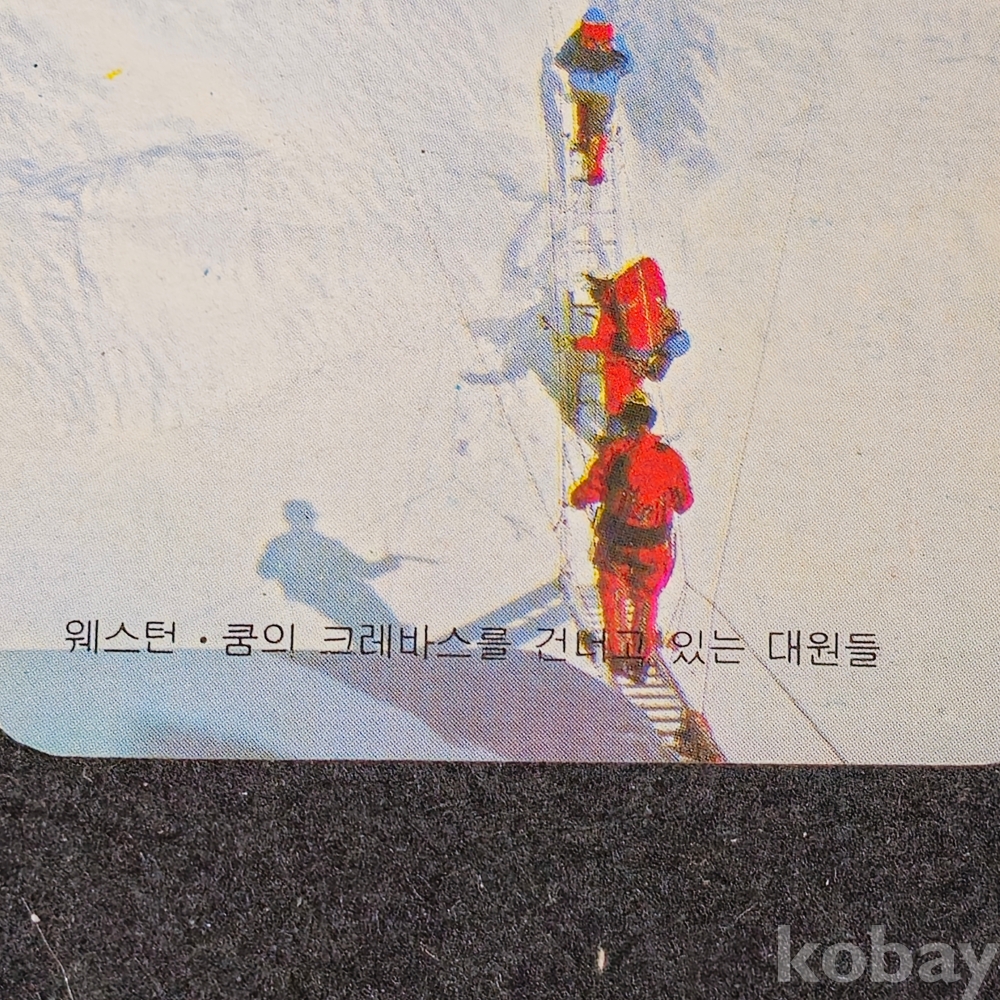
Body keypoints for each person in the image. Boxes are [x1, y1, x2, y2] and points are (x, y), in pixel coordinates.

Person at [569, 395, 693, 683]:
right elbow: (684, 503)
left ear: (625, 421)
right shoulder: (671, 457)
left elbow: (591, 491)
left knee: (613, 594)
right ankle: (640, 659)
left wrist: (576, 499)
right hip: (655, 547)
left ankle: (617, 658)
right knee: (645, 599)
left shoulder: (616, 451)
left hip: (616, 544)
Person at [574, 257, 690, 434]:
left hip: (623, 366)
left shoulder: (627, 314)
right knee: (619, 403)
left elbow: (602, 343)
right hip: (630, 366)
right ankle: (623, 434)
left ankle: (618, 435)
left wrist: (576, 343)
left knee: (616, 405)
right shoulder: (650, 316)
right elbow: (605, 343)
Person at [555, 7, 633, 185]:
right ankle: (595, 169)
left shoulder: (577, 37)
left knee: (582, 109)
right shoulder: (615, 38)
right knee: (598, 126)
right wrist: (615, 73)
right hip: (605, 90)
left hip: (580, 87)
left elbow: (560, 60)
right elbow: (629, 65)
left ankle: (583, 140)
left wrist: (575, 69)